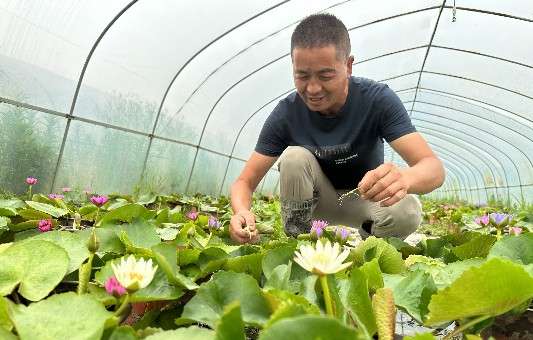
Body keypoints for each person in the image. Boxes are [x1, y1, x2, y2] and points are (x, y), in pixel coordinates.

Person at [229, 13, 445, 245]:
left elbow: (433, 169)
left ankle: (369, 247)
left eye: (325, 75)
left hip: (365, 200)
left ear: (348, 65)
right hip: (317, 205)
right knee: (293, 157)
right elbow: (245, 182)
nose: (312, 88)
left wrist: (404, 177)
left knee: (407, 210)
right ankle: (299, 242)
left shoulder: (377, 100)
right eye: (302, 75)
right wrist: (241, 210)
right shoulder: (286, 114)